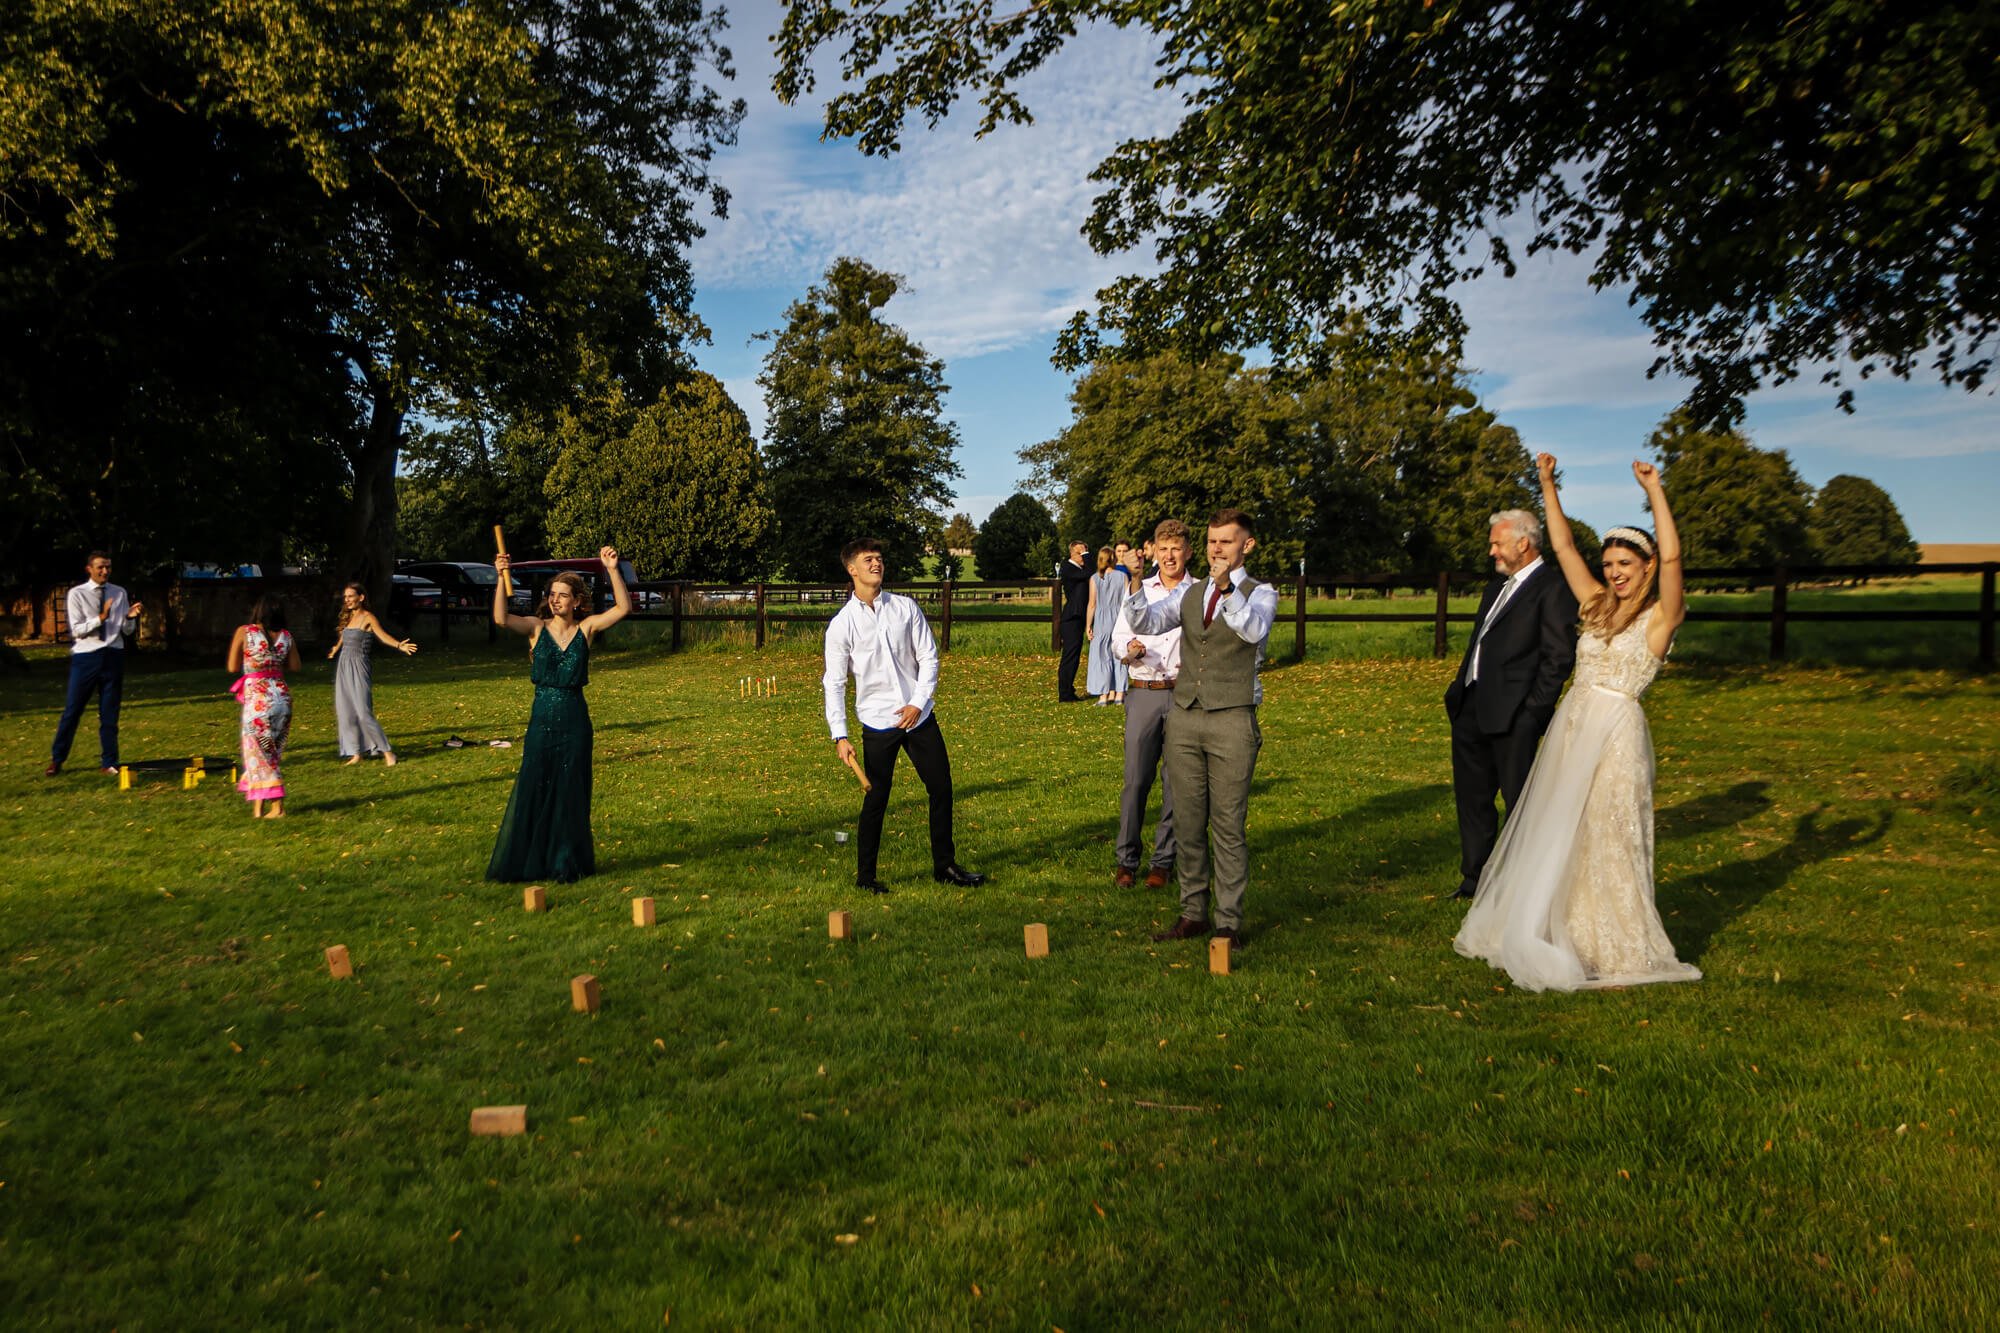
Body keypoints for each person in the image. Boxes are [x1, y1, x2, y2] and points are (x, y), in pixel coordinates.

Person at [1454, 457, 1700, 992]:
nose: (1614, 572)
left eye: (1625, 565)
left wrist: (1654, 490)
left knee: (1610, 834)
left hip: (1615, 733)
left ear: (1647, 567)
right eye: (1609, 562)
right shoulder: (1594, 605)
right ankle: (1561, 928)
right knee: (1562, 833)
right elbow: (1562, 549)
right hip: (1572, 728)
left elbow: (1676, 554)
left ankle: (1615, 940)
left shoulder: (1662, 618)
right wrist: (1546, 484)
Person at [1120, 509, 1278, 954]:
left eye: (1226, 542)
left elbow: (1252, 632)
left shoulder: (1261, 593)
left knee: (1228, 826)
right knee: (1188, 823)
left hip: (1231, 718)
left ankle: (1227, 924)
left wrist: (1227, 589)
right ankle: (1192, 913)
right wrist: (1135, 582)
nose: (1216, 550)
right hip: (1185, 717)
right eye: (1211, 542)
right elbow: (1147, 623)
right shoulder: (1191, 596)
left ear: (1246, 546)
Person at [823, 537, 984, 893]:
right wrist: (840, 734)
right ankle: (866, 878)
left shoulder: (905, 608)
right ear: (852, 569)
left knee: (941, 788)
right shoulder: (841, 625)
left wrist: (918, 701)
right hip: (878, 723)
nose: (876, 564)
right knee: (876, 799)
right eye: (868, 560)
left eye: (879, 558)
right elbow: (834, 683)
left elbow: (929, 657)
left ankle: (945, 866)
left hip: (919, 715)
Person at [1443, 508, 1580, 899]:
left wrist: (1532, 712)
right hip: (1471, 705)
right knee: (1472, 800)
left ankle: (1521, 885)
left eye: (1497, 543)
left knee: (1520, 803)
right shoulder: (1495, 588)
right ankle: (1474, 880)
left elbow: (1559, 656)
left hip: (1515, 715)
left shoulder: (1552, 587)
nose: (1491, 551)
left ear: (1524, 543)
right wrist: (1459, 690)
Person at [485, 546, 630, 883]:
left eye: (563, 595)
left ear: (577, 601)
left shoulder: (587, 629)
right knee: (536, 785)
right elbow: (500, 619)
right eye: (552, 595)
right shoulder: (537, 628)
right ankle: (531, 859)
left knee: (570, 790)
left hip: (575, 720)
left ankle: (566, 860)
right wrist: (498, 578)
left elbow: (624, 607)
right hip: (542, 719)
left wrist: (611, 569)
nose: (555, 600)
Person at [1110, 519, 1193, 889]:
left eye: (1176, 549)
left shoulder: (1199, 594)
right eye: (1163, 549)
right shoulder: (1138, 591)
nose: (1170, 556)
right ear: (1153, 552)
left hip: (1184, 695)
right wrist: (1128, 651)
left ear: (1188, 552)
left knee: (1176, 783)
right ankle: (1127, 861)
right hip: (1143, 690)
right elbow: (1117, 640)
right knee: (1136, 781)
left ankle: (1163, 862)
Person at [46, 551, 142, 776]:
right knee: (73, 709)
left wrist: (130, 617)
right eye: (100, 567)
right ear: (89, 569)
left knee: (110, 712)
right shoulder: (76, 594)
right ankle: (57, 759)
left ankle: (109, 762)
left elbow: (126, 631)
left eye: (108, 567)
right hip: (86, 656)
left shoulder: (119, 592)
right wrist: (100, 617)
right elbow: (77, 630)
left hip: (113, 655)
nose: (105, 571)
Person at [228, 596, 302, 818]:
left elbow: (232, 667)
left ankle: (278, 807)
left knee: (260, 753)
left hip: (258, 703)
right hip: (283, 699)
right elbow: (296, 666)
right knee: (269, 753)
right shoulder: (287, 636)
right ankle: (258, 808)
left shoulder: (245, 631)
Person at [327, 582, 417, 765]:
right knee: (346, 711)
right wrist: (335, 649)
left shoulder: (368, 617)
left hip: (359, 666)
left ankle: (388, 753)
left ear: (361, 597)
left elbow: (382, 635)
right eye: (345, 597)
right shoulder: (349, 618)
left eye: (351, 596)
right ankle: (356, 753)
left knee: (363, 712)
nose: (347, 600)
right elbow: (345, 636)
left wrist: (400, 645)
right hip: (344, 666)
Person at [1085, 542, 1133, 704]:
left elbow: (1092, 604)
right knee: (1119, 655)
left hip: (1101, 621)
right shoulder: (1123, 577)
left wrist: (1088, 625)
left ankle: (1103, 695)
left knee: (1101, 657)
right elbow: (1127, 602)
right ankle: (1120, 694)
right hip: (1119, 619)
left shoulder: (1095, 578)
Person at [1057, 538, 1090, 701]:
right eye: (1080, 553)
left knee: (1074, 655)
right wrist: (1089, 557)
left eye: (1085, 553)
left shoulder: (1078, 568)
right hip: (1071, 618)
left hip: (1078, 617)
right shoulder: (1068, 567)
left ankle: (1068, 689)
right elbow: (1090, 573)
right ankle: (1064, 693)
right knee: (1069, 655)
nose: (1083, 557)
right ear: (1072, 553)